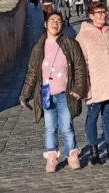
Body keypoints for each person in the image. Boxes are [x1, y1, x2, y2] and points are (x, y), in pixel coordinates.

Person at [20, 12, 89, 173]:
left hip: (66, 93)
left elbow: (80, 67)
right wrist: (26, 94)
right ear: (45, 24)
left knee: (67, 126)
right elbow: (32, 72)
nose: (55, 23)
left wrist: (79, 89)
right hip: (46, 94)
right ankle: (51, 157)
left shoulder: (70, 44)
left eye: (59, 21)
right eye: (52, 20)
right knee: (50, 127)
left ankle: (72, 155)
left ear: (62, 25)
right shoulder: (39, 47)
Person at [76, 2, 109, 164]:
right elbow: (81, 64)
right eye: (98, 12)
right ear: (91, 15)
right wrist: (84, 87)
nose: (102, 15)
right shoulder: (83, 36)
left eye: (104, 11)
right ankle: (94, 151)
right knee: (92, 117)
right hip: (95, 85)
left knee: (108, 117)